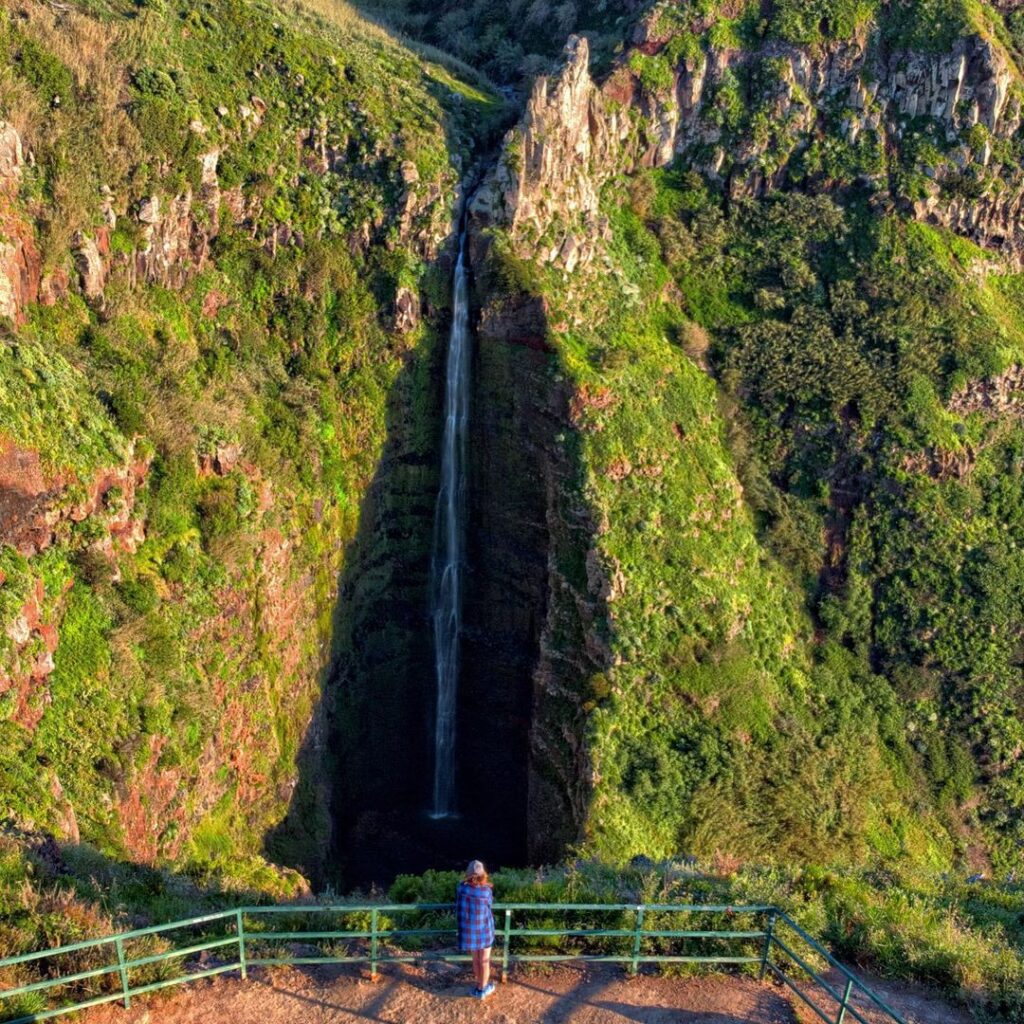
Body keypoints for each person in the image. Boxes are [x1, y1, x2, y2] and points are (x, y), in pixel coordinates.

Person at [456, 859, 496, 1000]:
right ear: (483, 874)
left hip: (470, 932)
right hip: (485, 930)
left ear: (468, 874)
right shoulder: (486, 891)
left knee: (476, 959)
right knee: (484, 960)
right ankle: (482, 989)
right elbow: (490, 904)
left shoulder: (461, 888)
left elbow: (460, 892)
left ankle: (479, 985)